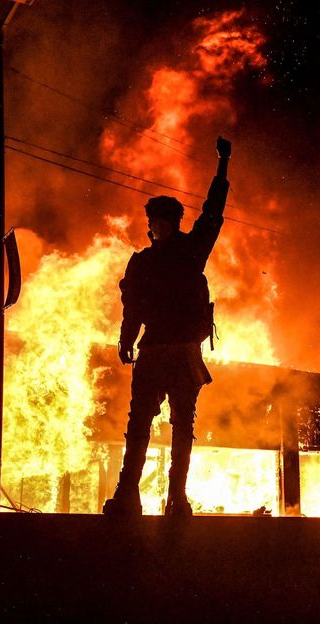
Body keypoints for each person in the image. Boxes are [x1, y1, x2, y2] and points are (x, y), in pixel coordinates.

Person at [103, 136, 231, 518]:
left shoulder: (148, 261)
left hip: (162, 351)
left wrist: (127, 341)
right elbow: (134, 308)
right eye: (157, 221)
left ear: (158, 225)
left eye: (158, 221)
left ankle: (144, 496)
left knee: (146, 424)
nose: (156, 227)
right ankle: (165, 497)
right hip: (173, 352)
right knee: (172, 427)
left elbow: (213, 211)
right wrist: (223, 162)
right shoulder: (186, 253)